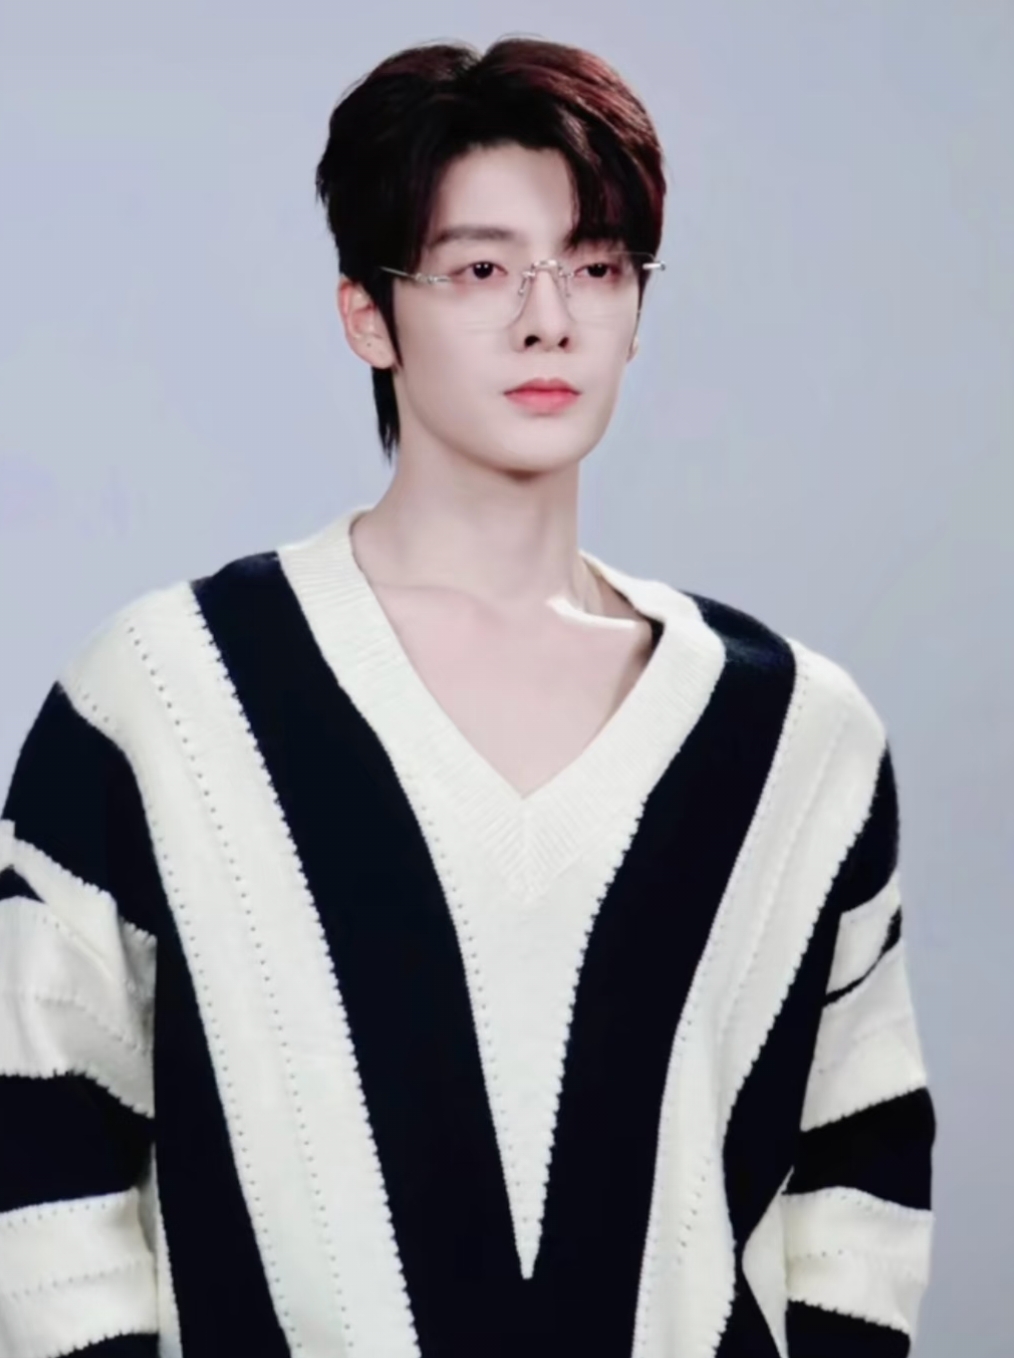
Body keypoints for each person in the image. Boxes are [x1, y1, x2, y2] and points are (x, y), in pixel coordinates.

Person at [0, 35, 936, 1358]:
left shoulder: (797, 738)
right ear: (367, 314)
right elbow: (40, 1157)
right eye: (482, 269)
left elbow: (857, 1185)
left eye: (596, 266)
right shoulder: (163, 700)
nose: (549, 318)